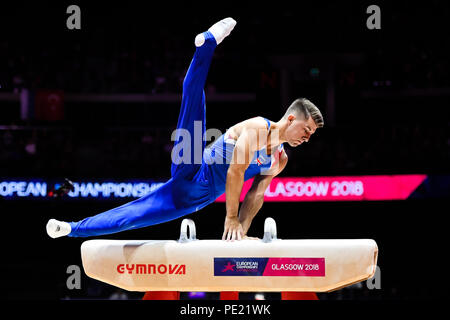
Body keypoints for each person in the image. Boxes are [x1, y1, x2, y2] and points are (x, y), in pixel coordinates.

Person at [46, 17, 324, 241]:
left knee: (132, 218)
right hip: (193, 162)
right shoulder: (256, 128)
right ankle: (208, 44)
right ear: (290, 119)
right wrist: (229, 218)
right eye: (307, 129)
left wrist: (240, 230)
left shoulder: (280, 160)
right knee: (193, 100)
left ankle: (70, 228)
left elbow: (255, 196)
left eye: (311, 134)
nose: (307, 137)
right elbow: (235, 171)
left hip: (195, 197)